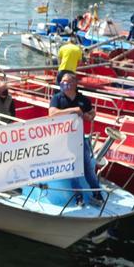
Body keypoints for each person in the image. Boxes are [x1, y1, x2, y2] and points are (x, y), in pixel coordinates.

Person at [48, 73, 102, 202]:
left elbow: (92, 112)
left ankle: (97, 192)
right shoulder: (57, 98)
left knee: (87, 167)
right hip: (64, 140)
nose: (63, 84)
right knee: (72, 169)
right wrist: (74, 110)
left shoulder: (82, 98)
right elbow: (52, 113)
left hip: (79, 138)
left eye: (66, 82)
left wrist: (89, 116)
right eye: (62, 82)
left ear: (74, 84)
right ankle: (78, 196)